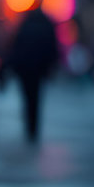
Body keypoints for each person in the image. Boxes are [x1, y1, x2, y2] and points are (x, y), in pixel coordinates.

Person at [8, 8, 58, 143]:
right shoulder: (46, 26)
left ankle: (29, 127)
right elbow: (52, 48)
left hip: (25, 70)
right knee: (36, 98)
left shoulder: (25, 26)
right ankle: (33, 128)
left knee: (27, 98)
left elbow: (16, 47)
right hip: (38, 70)